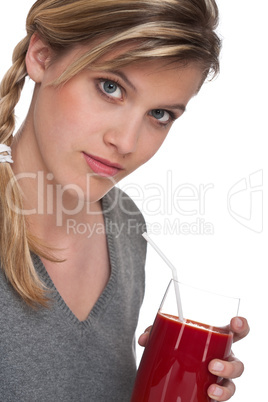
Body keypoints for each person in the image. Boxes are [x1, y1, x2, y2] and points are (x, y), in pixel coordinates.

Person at [0, 0, 249, 401]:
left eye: (160, 114)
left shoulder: (127, 227)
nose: (127, 142)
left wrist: (164, 383)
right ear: (42, 56)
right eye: (111, 87)